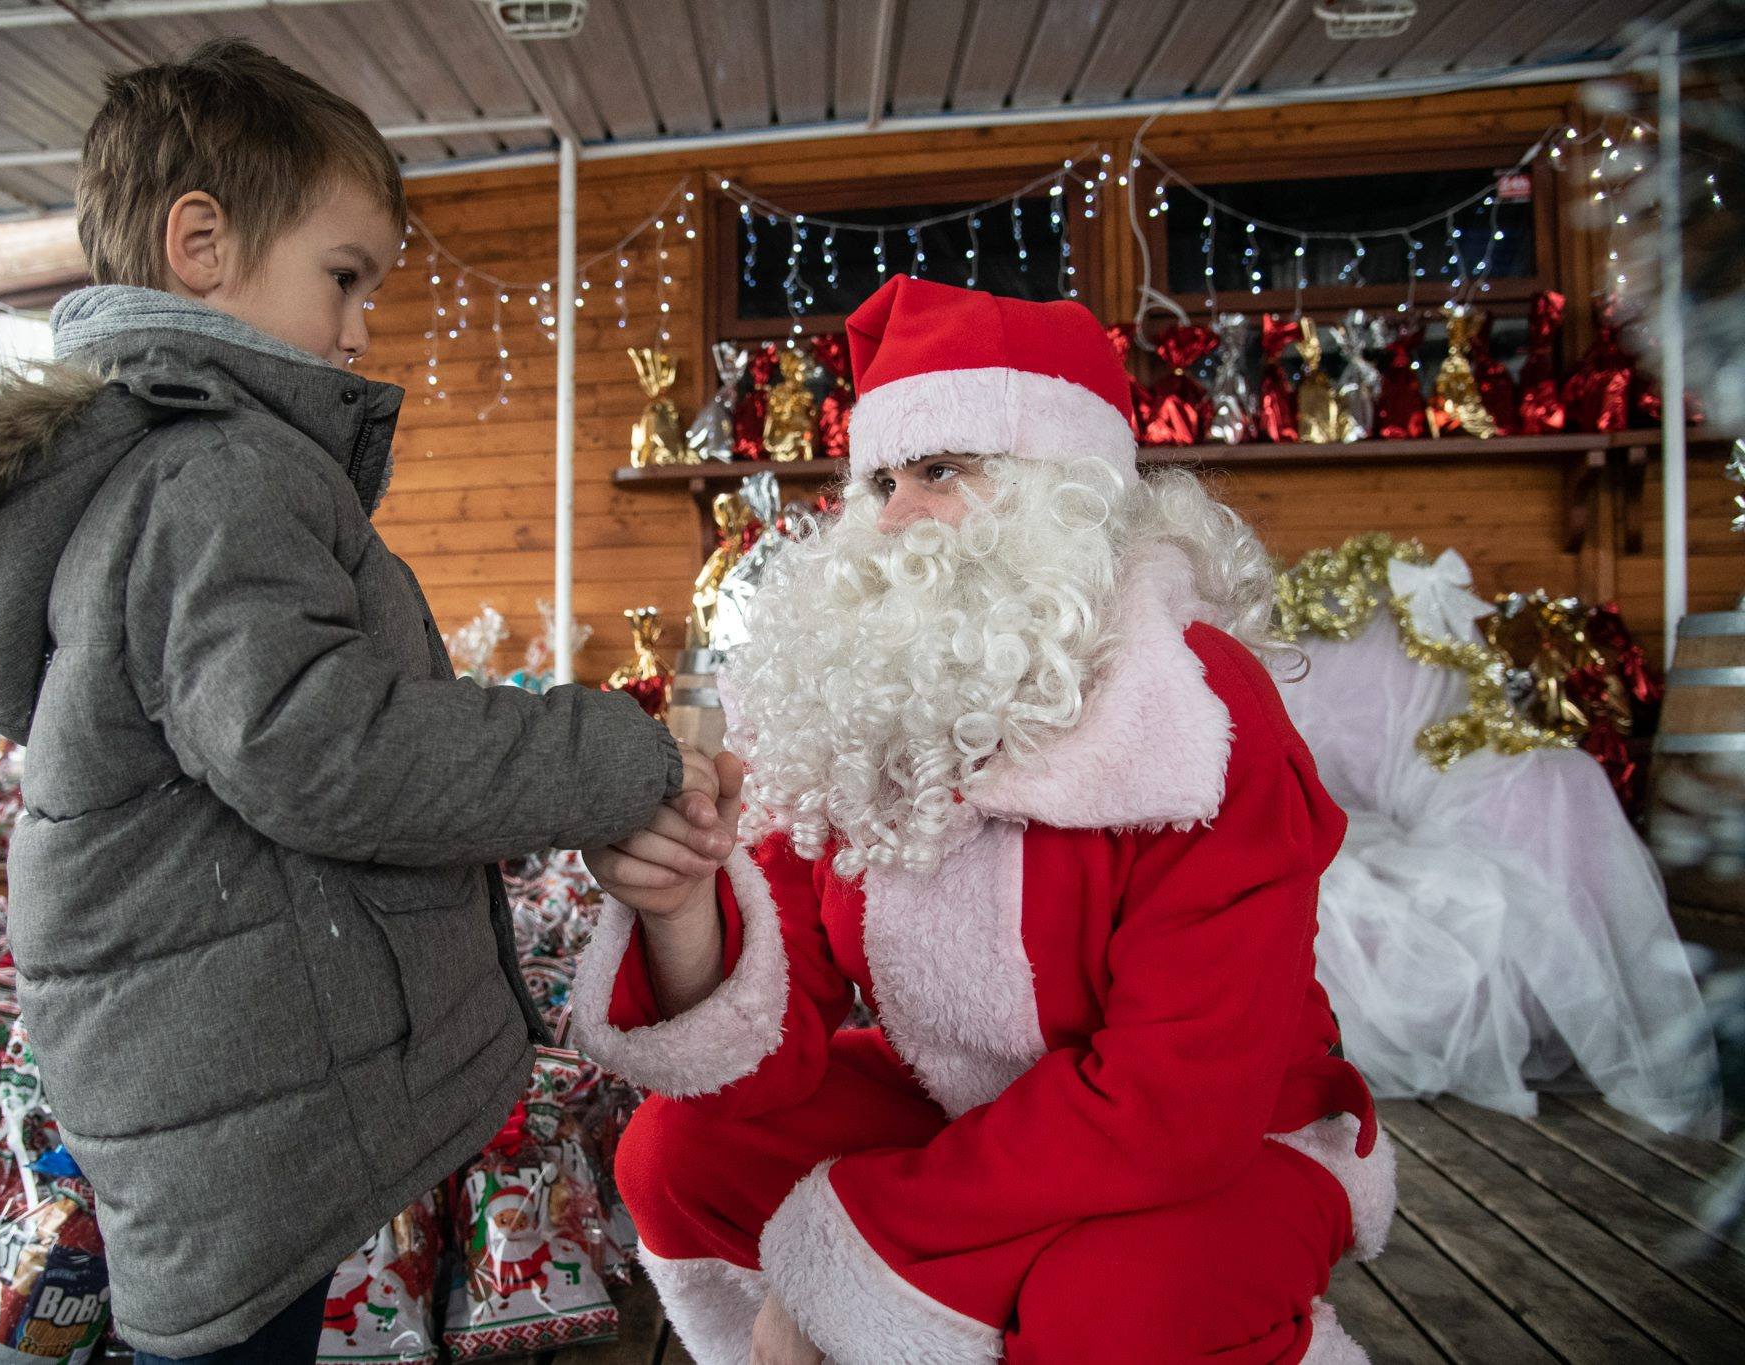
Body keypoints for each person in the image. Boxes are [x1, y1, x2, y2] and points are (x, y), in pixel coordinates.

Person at [0, 38, 730, 1364]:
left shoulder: (165, 468)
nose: (361, 328)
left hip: (215, 1061)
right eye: (343, 277)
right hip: (235, 1079)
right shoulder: (218, 474)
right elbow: (321, 744)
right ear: (203, 246)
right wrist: (604, 750)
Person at [572, 275, 1396, 1365]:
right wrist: (682, 911)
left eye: (942, 470)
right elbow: (775, 1039)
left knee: (1100, 1307)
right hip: (977, 1124)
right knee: (675, 1155)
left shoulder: (1194, 706)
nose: (897, 515)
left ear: (1064, 492)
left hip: (1230, 1143)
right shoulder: (874, 698)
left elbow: (1174, 1108)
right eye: (880, 479)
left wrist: (838, 1257)